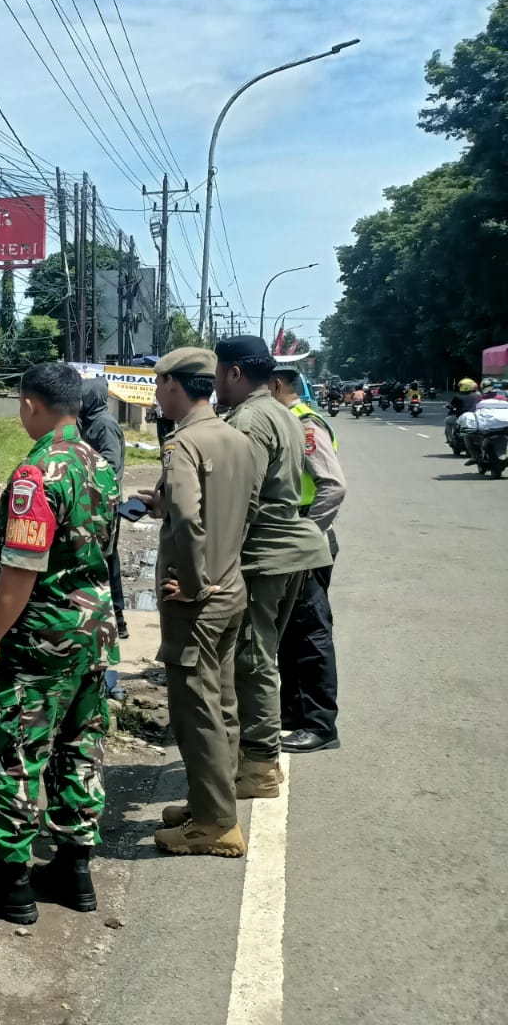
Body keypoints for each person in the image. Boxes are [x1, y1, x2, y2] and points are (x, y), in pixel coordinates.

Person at [0, 362, 118, 925]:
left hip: (40, 641)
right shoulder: (99, 464)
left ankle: (11, 883)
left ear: (29, 405)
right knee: (78, 748)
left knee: (12, 754)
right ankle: (74, 871)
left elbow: (20, 570)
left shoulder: (37, 473)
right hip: (92, 636)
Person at [140, 348, 262, 858]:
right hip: (231, 589)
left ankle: (215, 825)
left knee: (197, 712)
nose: (155, 393)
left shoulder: (183, 444)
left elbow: (191, 522)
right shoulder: (237, 438)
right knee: (224, 705)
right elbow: (246, 507)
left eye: (159, 382)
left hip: (198, 600)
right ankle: (210, 802)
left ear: (175, 385)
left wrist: (191, 583)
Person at [213, 337, 331, 801]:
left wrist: (216, 562)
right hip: (291, 550)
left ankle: (259, 765)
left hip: (264, 555)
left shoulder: (248, 419)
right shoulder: (283, 411)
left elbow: (242, 496)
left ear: (236, 374)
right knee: (262, 655)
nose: (216, 383)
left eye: (220, 373)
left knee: (252, 657)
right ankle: (257, 759)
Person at [270, 367, 347, 754]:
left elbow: (333, 486)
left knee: (311, 632)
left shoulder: (305, 424)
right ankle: (296, 715)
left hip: (304, 535)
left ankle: (319, 724)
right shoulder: (286, 421)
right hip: (293, 536)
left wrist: (308, 533)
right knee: (292, 630)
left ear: (278, 385)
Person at [77, 377, 128, 639]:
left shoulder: (104, 425)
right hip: (93, 501)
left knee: (107, 559)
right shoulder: (89, 423)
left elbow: (108, 463)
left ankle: (117, 618)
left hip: (105, 503)